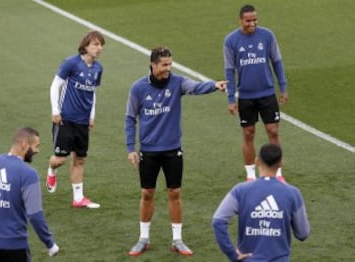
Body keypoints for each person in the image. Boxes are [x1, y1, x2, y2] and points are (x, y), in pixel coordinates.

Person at [125, 46, 227, 256]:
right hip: (149, 151)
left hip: (172, 150)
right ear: (153, 65)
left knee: (175, 193)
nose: (168, 68)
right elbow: (130, 118)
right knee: (147, 193)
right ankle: (143, 238)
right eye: (164, 65)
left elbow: (196, 87)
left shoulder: (177, 82)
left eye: (170, 64)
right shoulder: (138, 88)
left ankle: (177, 240)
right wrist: (130, 148)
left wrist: (214, 86)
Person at [212, 143, 310, 261]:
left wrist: (232, 254)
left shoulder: (240, 190)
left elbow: (218, 221)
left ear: (257, 161)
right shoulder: (293, 193)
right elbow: (302, 234)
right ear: (280, 164)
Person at [224, 4, 288, 182]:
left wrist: (282, 87)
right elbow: (229, 70)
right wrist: (230, 98)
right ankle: (251, 175)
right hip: (245, 95)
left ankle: (278, 173)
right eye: (248, 21)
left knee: (273, 131)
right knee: (248, 133)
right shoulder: (231, 40)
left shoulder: (267, 36)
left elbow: (277, 61)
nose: (252, 24)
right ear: (240, 20)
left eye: (254, 20)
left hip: (267, 93)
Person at [46, 31, 105, 208]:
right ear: (85, 45)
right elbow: (55, 85)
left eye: (101, 45)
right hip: (65, 119)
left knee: (80, 159)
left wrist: (92, 116)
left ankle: (78, 198)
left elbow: (92, 92)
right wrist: (56, 111)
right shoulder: (71, 63)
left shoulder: (98, 68)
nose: (99, 48)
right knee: (60, 159)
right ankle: (51, 170)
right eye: (95, 44)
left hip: (83, 122)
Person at [0, 127, 59, 261]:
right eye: (36, 146)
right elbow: (35, 214)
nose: (37, 151)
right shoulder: (28, 174)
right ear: (24, 144)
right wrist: (50, 243)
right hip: (13, 247)